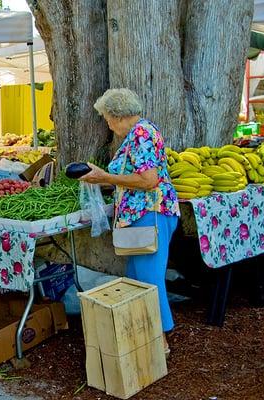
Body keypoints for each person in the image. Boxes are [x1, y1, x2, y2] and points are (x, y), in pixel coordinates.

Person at [80, 88, 180, 355]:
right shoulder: (142, 131)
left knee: (149, 280)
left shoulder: (141, 135)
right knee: (137, 278)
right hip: (145, 215)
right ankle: (145, 334)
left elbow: (149, 181)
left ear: (116, 115)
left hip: (150, 214)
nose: (108, 124)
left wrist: (105, 178)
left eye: (107, 119)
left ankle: (161, 340)